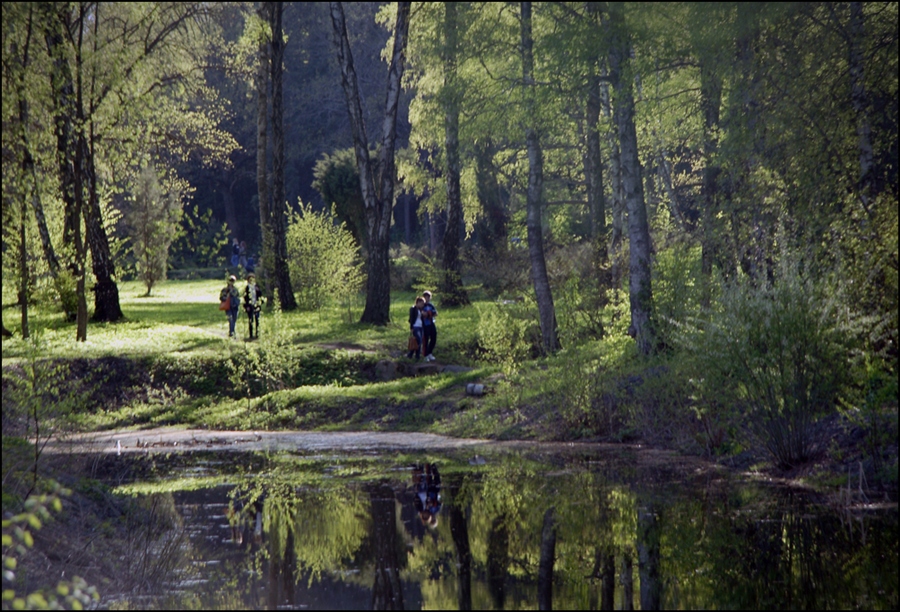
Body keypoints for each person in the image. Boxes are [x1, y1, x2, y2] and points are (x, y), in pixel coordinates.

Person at [412, 463, 442, 529]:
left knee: (427, 479)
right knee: (437, 480)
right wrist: (433, 502)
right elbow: (439, 503)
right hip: (434, 492)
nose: (433, 518)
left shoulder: (422, 509)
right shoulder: (436, 510)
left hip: (425, 492)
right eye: (434, 520)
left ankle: (423, 466)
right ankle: (432, 466)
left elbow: (416, 501)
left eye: (432, 520)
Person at [243, 273, 262, 339]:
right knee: (251, 320)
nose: (251, 280)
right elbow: (245, 298)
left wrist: (260, 303)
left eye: (252, 279)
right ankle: (251, 334)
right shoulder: (247, 288)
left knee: (257, 320)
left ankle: (257, 334)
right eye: (250, 279)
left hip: (256, 305)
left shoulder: (256, 287)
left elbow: (260, 295)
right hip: (250, 306)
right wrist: (246, 306)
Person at [421, 290, 438, 362]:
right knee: (425, 339)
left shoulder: (431, 305)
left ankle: (430, 352)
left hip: (431, 323)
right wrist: (429, 314)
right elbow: (422, 314)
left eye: (428, 297)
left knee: (434, 337)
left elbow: (435, 313)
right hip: (424, 325)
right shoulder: (422, 305)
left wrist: (429, 314)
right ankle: (425, 355)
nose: (427, 298)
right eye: (425, 297)